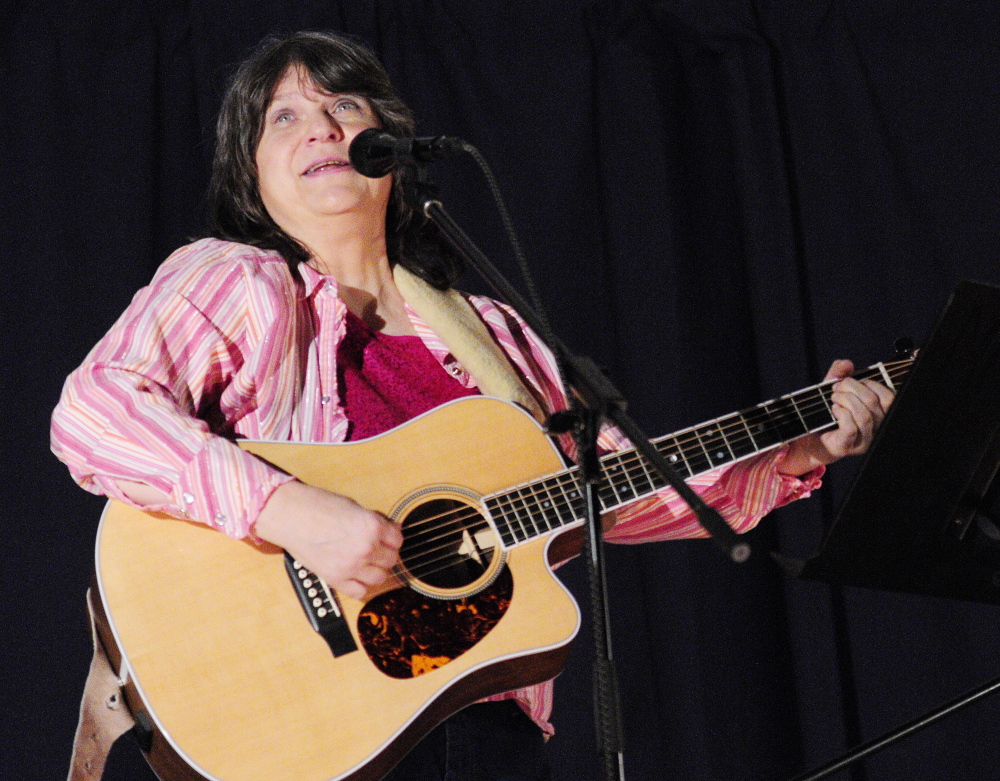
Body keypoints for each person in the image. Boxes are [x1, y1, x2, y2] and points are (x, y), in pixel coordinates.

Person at [51, 30, 893, 781]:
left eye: (344, 103)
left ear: (388, 145)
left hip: (488, 727)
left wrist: (800, 446)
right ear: (252, 174)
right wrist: (291, 510)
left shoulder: (487, 329)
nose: (322, 126)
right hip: (320, 725)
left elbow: (605, 487)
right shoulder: (239, 283)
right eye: (284, 117)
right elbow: (94, 413)